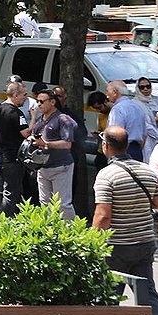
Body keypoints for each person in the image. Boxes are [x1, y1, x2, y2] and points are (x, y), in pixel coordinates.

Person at [94, 126, 158, 315]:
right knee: (148, 293)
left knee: (109, 297)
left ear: (105, 146)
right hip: (144, 243)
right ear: (127, 145)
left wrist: (91, 241)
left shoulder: (106, 175)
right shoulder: (147, 171)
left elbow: (103, 216)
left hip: (117, 246)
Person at [29, 88, 78, 219]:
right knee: (44, 203)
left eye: (41, 101)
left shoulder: (63, 119)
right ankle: (49, 233)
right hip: (42, 167)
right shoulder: (40, 120)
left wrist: (46, 143)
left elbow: (67, 144)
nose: (39, 104)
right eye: (37, 101)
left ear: (52, 102)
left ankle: (72, 233)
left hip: (60, 167)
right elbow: (34, 137)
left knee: (63, 204)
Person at [0, 80, 31, 214]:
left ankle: (16, 220)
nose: (26, 98)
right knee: (10, 193)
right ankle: (3, 222)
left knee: (7, 191)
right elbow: (26, 133)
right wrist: (35, 119)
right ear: (15, 95)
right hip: (13, 158)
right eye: (24, 95)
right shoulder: (17, 113)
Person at [54, 84, 92, 219]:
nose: (56, 99)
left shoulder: (69, 116)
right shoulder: (45, 116)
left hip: (68, 160)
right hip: (49, 164)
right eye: (54, 96)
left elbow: (81, 133)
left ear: (64, 98)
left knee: (67, 194)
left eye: (59, 96)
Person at [108, 80, 150, 161]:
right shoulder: (137, 107)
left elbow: (115, 134)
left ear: (115, 92)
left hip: (122, 151)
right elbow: (144, 134)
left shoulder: (118, 109)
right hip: (137, 150)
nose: (106, 95)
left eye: (107, 91)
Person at [136, 77, 158, 161]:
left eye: (148, 86)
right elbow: (144, 124)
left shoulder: (155, 101)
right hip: (147, 139)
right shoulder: (135, 104)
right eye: (142, 87)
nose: (145, 89)